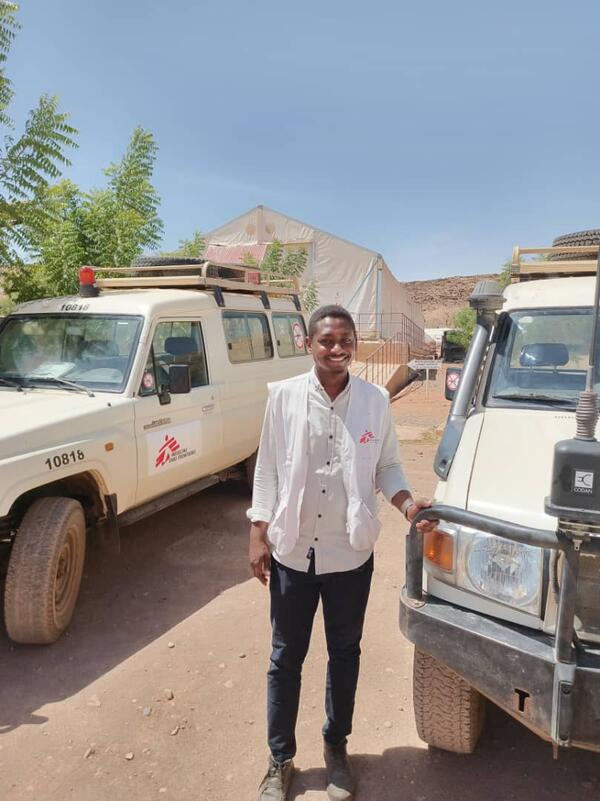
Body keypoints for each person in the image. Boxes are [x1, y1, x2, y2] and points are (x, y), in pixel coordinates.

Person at [248, 305, 433, 801]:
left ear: (355, 344)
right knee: (285, 657)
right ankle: (280, 758)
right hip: (293, 552)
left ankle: (336, 747)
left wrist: (408, 504)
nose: (336, 348)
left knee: (344, 654)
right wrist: (257, 532)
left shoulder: (374, 400)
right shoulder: (284, 398)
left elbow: (388, 466)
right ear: (309, 344)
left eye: (345, 340)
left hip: (349, 555)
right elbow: (267, 468)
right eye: (326, 340)